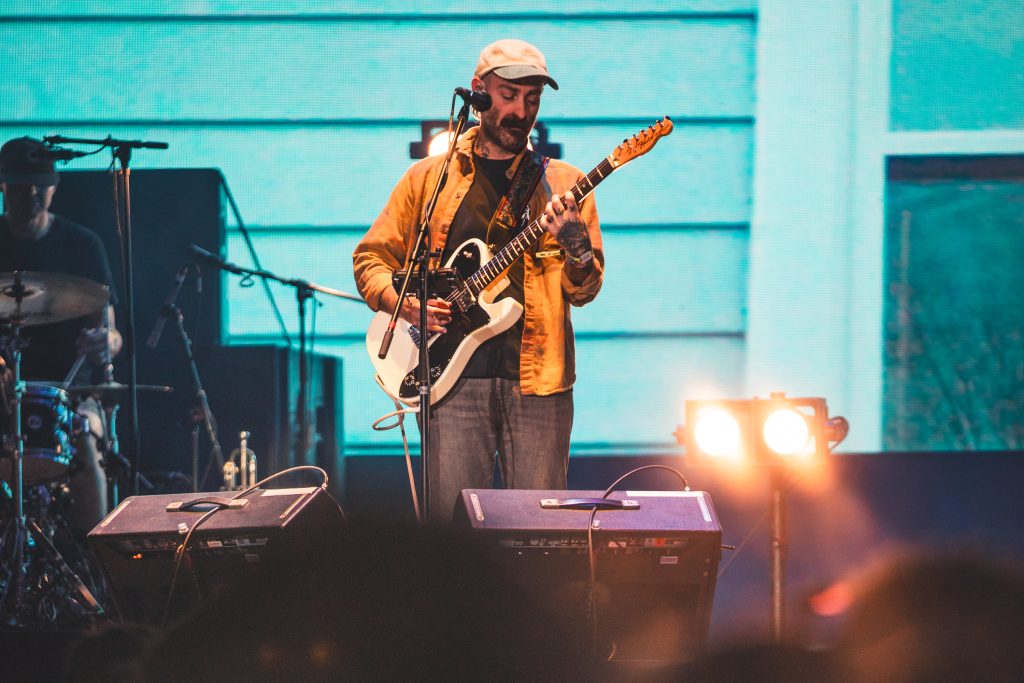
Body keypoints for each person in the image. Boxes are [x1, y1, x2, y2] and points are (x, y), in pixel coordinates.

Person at [354, 39, 604, 521]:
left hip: (538, 384)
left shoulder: (564, 185)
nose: (521, 110)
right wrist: (403, 304)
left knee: (542, 531)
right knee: (452, 537)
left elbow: (586, 290)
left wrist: (574, 241)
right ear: (479, 93)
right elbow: (370, 260)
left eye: (532, 99)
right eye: (509, 96)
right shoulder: (429, 179)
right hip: (446, 379)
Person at [0, 136, 122, 534]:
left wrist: (106, 343)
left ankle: (94, 572)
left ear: (54, 185)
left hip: (71, 397)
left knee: (84, 441)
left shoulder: (83, 245)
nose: (32, 192)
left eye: (40, 183)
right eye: (21, 183)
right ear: (3, 184)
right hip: (4, 395)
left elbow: (111, 334)